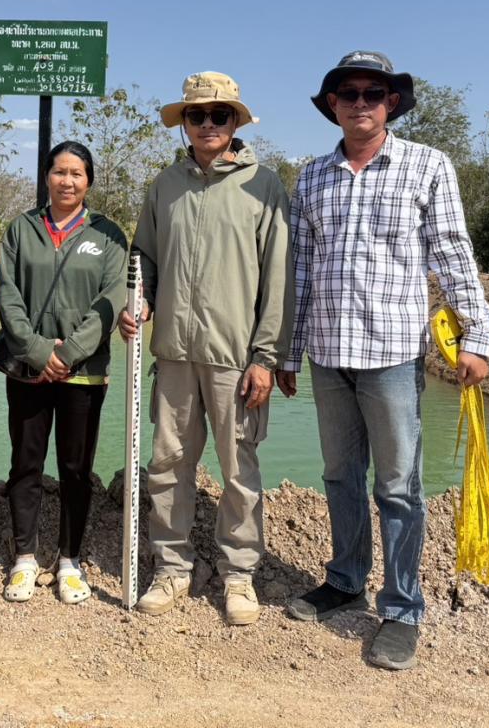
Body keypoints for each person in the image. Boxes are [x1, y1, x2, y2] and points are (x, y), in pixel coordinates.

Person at [277, 51, 489, 671]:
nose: (360, 103)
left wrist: (478, 337)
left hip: (394, 354)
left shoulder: (427, 166)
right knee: (340, 476)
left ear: (391, 103)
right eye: (348, 93)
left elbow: (453, 252)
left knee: (398, 487)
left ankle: (402, 609)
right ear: (333, 106)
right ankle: (345, 579)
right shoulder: (313, 176)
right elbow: (301, 271)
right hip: (328, 352)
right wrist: (289, 350)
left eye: (373, 93)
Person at [119, 72, 293, 626]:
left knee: (240, 468)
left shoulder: (263, 186)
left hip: (235, 357)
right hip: (172, 352)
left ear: (236, 122)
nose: (209, 124)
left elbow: (278, 279)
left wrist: (266, 357)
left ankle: (239, 575)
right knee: (168, 464)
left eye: (220, 115)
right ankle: (172, 567)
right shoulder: (163, 186)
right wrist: (139, 300)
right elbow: (142, 255)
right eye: (198, 116)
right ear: (185, 123)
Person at [0, 141, 127, 605]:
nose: (67, 181)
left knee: (75, 468)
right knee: (25, 465)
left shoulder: (107, 234)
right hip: (28, 370)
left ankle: (70, 559)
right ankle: (25, 557)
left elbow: (112, 302)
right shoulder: (21, 229)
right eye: (59, 171)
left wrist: (66, 354)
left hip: (83, 374)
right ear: (46, 176)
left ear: (89, 181)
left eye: (77, 173)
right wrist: (33, 349)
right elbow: (7, 296)